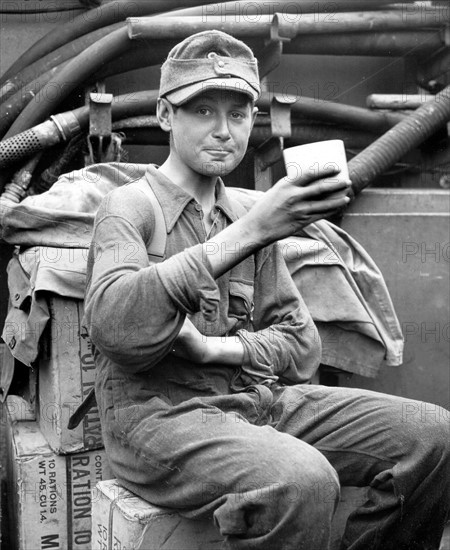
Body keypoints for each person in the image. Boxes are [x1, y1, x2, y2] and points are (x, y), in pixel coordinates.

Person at [83, 30, 450, 550]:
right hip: (158, 419)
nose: (223, 131)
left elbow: (301, 347)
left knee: (433, 433)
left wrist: (217, 348)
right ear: (166, 116)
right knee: (300, 480)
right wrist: (252, 231)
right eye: (203, 111)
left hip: (255, 401)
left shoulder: (244, 214)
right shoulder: (129, 209)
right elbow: (117, 329)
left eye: (237, 114)